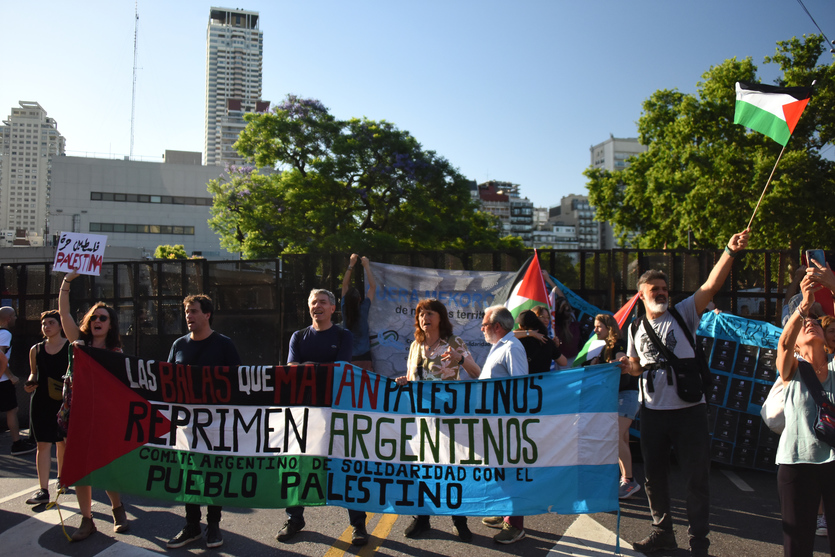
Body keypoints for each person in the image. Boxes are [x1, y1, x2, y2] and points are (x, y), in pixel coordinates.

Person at [619, 229, 750, 557]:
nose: (662, 293)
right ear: (642, 295)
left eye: (664, 288)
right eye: (655, 290)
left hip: (689, 411)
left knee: (695, 479)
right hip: (652, 412)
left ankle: (698, 544)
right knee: (654, 478)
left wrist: (729, 252)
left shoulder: (684, 313)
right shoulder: (635, 328)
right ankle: (662, 532)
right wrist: (626, 365)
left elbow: (710, 285)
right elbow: (637, 367)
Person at [279, 289, 368, 546]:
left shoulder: (343, 335)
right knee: (298, 466)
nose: (317, 306)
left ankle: (358, 524)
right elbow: (291, 370)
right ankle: (294, 518)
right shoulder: (298, 336)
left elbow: (340, 369)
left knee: (345, 467)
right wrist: (315, 369)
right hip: (304, 414)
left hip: (337, 413)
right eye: (313, 302)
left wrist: (309, 368)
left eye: (322, 302)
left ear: (332, 308)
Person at [394, 298, 480, 542]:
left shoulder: (454, 343)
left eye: (430, 313)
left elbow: (477, 373)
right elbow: (413, 380)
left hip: (449, 418)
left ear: (441, 318)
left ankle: (459, 520)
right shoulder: (415, 346)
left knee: (452, 469)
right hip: (421, 419)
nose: (424, 318)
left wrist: (460, 359)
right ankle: (422, 519)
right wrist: (405, 381)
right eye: (421, 314)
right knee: (422, 469)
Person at [166, 294, 241, 549]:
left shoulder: (223, 344)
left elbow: (239, 380)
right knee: (189, 474)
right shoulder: (178, 345)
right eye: (187, 311)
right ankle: (192, 525)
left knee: (213, 473)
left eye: (194, 311)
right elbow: (166, 382)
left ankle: (214, 524)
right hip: (186, 425)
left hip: (216, 424)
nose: (189, 316)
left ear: (207, 314)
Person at [59, 271, 129, 541]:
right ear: (88, 322)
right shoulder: (77, 342)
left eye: (104, 318)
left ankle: (117, 508)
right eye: (94, 317)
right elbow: (63, 313)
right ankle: (87, 520)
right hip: (76, 414)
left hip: (103, 418)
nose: (98, 321)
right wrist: (67, 281)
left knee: (106, 466)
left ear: (110, 326)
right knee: (80, 468)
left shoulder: (115, 354)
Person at [775, 273, 835, 556]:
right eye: (803, 324)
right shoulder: (792, 371)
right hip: (797, 463)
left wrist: (832, 286)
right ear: (796, 345)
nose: (810, 322)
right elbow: (783, 345)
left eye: (814, 321)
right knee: (797, 545)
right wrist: (803, 305)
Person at [478, 305, 529, 544]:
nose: (482, 328)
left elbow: (520, 387)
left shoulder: (512, 348)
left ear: (497, 326)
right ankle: (502, 512)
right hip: (494, 421)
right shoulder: (499, 346)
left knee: (511, 473)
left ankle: (515, 526)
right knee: (500, 469)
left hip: (506, 423)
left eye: (485, 324)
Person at [589, 314, 639, 499]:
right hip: (616, 396)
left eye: (599, 326)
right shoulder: (604, 348)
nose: (595, 330)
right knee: (622, 439)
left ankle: (628, 480)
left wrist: (613, 363)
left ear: (609, 328)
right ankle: (625, 479)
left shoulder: (618, 343)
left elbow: (620, 360)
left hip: (626, 396)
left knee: (615, 435)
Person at [23, 310, 69, 505]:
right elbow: (33, 373)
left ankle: (62, 478)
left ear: (60, 325)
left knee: (62, 442)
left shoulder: (70, 348)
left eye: (51, 322)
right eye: (44, 324)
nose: (47, 326)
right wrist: (30, 383)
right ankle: (42, 490)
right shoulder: (36, 349)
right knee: (42, 444)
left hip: (64, 400)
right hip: (41, 400)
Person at [0, 306, 35, 456]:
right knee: (12, 410)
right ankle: (17, 443)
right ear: (8, 318)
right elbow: (0, 356)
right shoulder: (5, 333)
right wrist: (11, 375)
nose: (15, 318)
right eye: (14, 316)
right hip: (3, 379)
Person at [341, 254, 377, 370]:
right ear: (359, 299)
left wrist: (351, 265)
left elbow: (344, 285)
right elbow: (372, 287)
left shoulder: (344, 307)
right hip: (364, 356)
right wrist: (366, 266)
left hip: (348, 356)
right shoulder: (364, 308)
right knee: (365, 386)